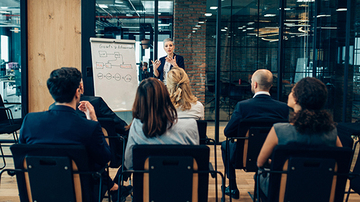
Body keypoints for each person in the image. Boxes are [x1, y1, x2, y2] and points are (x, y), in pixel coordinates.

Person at [19, 67, 111, 201]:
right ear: (77, 92)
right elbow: (104, 158)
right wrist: (93, 119)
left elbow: (22, 155)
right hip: (78, 194)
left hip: (38, 191)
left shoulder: (30, 121)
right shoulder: (89, 126)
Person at [257, 77, 343, 197]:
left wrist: (281, 164)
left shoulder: (279, 130)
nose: (289, 94)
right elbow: (341, 162)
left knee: (259, 175)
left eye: (292, 91)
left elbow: (260, 163)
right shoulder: (332, 131)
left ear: (296, 99)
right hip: (320, 190)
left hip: (284, 191)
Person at [221, 69, 289, 199]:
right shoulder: (283, 108)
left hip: (244, 156)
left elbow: (228, 132)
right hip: (272, 156)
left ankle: (233, 187)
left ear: (255, 84)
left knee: (225, 145)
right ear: (271, 86)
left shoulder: (243, 106)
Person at [123, 77, 199, 170]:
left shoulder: (136, 126)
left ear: (139, 101)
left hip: (147, 184)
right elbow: (197, 163)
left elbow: (129, 164)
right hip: (183, 182)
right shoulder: (190, 125)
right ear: (166, 96)